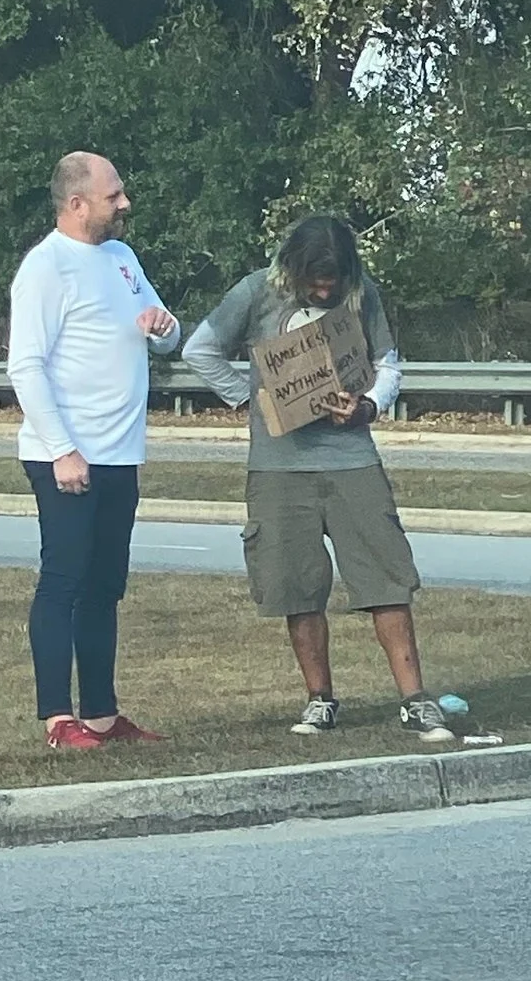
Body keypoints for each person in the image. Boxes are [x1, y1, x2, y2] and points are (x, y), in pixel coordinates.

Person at [179, 211, 455, 743]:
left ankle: (415, 700)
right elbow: (199, 349)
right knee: (297, 587)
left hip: (353, 460)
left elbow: (388, 363)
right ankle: (320, 699)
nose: (326, 289)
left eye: (334, 279)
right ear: (293, 269)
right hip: (279, 468)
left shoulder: (361, 292)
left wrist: (370, 406)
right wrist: (246, 398)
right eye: (316, 281)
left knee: (387, 580)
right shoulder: (256, 292)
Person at [7, 151, 182, 750]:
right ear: (76, 203)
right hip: (67, 456)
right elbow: (25, 366)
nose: (124, 204)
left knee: (106, 585)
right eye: (114, 196)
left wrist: (164, 328)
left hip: (120, 451)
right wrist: (61, 450)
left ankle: (103, 715)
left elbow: (166, 332)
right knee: (64, 580)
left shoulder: (122, 258)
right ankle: (59, 719)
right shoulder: (46, 267)